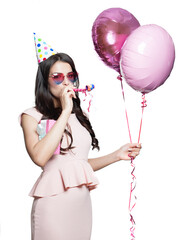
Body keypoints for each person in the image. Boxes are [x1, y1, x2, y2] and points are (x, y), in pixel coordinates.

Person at [19, 34, 141, 240]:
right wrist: (65, 110)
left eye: (70, 75)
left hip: (82, 208)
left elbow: (77, 165)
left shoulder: (81, 116)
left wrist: (116, 155)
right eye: (57, 77)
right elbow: (40, 158)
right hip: (52, 208)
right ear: (45, 82)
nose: (66, 81)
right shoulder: (31, 116)